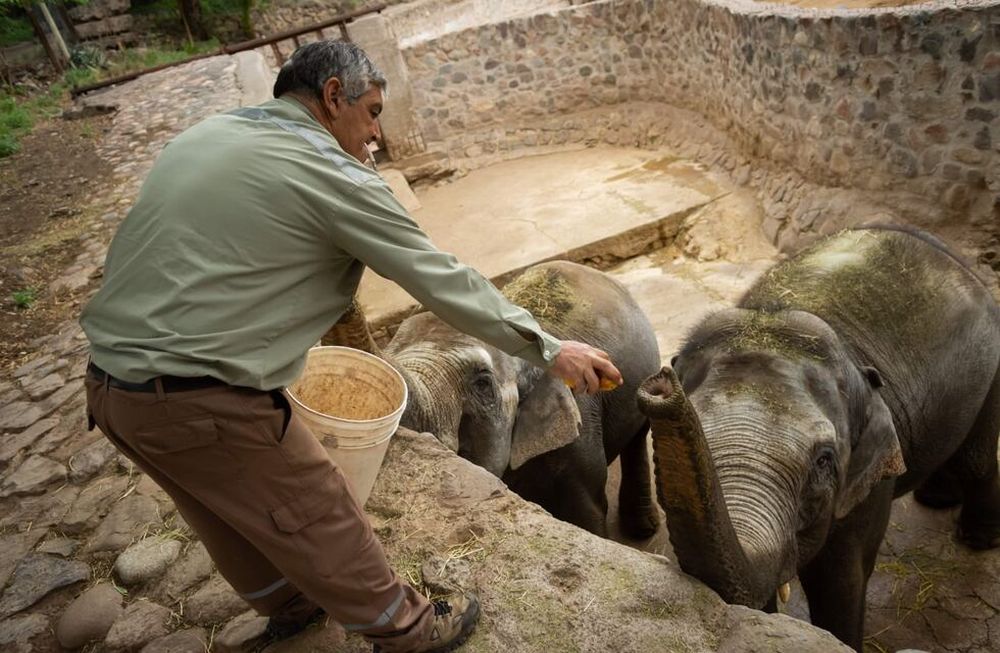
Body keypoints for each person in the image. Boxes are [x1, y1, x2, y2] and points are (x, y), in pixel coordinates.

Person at [80, 40, 622, 653]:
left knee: (218, 506)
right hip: (200, 393)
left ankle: (290, 604)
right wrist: (549, 349)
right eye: (371, 113)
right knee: (316, 503)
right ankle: (409, 627)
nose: (375, 135)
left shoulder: (210, 135)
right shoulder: (330, 171)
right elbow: (438, 276)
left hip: (111, 387)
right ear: (333, 96)